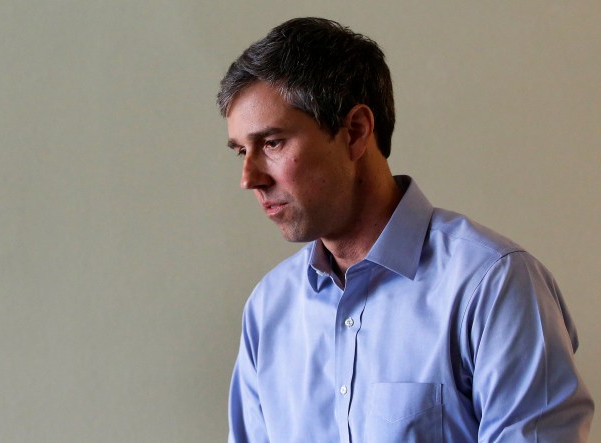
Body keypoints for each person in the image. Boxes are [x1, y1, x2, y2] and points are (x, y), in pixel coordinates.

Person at [217, 17, 594, 443]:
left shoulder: (491, 286)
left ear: (356, 132)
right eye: (241, 151)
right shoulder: (269, 310)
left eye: (272, 143)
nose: (249, 178)